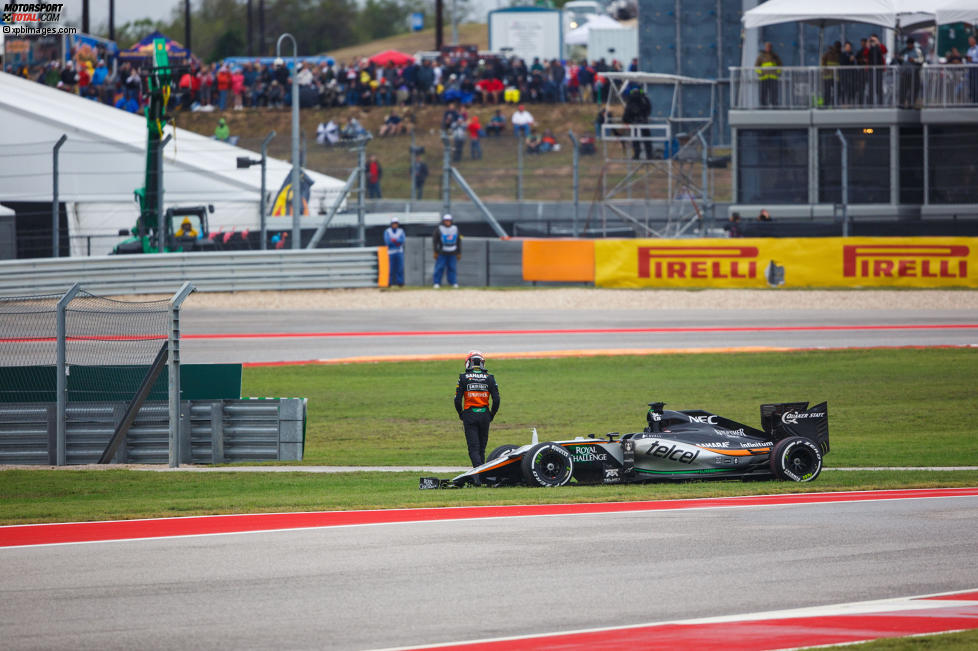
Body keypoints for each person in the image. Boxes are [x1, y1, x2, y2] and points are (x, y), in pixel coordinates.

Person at [454, 350, 501, 473]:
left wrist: (461, 414)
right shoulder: (490, 378)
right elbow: (496, 400)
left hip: (469, 414)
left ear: (468, 363)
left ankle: (480, 475)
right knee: (481, 449)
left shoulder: (463, 377)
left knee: (473, 449)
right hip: (485, 414)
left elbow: (457, 400)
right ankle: (482, 474)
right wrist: (491, 414)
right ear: (482, 363)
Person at [623, 87, 652, 160]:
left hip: (635, 123)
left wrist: (627, 120)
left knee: (636, 140)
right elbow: (648, 109)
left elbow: (627, 112)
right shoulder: (644, 99)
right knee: (647, 139)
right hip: (643, 122)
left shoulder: (631, 100)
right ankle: (649, 155)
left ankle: (637, 155)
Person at [432, 213, 461, 288]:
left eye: (449, 221)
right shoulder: (439, 229)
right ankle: (437, 282)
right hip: (442, 251)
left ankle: (453, 282)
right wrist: (435, 251)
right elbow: (435, 241)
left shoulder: (455, 228)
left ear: (451, 221)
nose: (447, 222)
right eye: (446, 221)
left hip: (453, 251)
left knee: (452, 267)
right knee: (439, 267)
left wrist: (459, 252)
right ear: (443, 221)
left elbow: (458, 241)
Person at [755, 42, 782, 107]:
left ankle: (775, 105)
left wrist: (778, 73)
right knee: (763, 93)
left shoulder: (775, 56)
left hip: (773, 77)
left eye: (769, 47)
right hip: (764, 77)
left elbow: (780, 65)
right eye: (767, 47)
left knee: (774, 93)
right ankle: (763, 106)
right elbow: (756, 66)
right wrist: (760, 73)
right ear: (765, 48)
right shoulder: (761, 56)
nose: (768, 48)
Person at [383, 217, 406, 287]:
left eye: (396, 223)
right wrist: (396, 242)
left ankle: (400, 282)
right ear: (391, 224)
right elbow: (388, 242)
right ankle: (389, 282)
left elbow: (402, 240)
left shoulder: (401, 231)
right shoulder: (387, 231)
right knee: (391, 268)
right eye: (393, 223)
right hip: (391, 252)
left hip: (399, 251)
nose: (395, 225)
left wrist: (394, 241)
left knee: (400, 268)